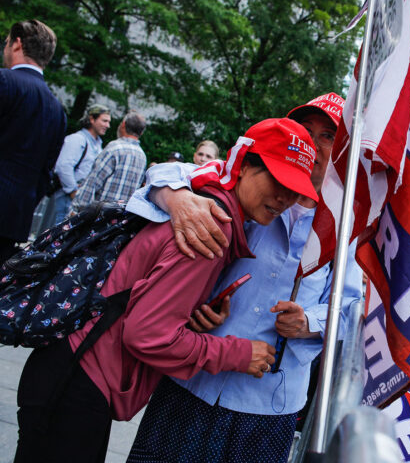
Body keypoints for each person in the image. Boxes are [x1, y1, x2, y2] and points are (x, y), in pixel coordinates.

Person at [14, 118, 318, 463]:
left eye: (294, 189)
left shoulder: (206, 201)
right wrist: (237, 353)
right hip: (78, 379)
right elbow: (147, 334)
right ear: (245, 166)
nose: (283, 197)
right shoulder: (210, 228)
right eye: (277, 180)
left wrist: (194, 318)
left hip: (75, 370)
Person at [126, 92, 360, 463]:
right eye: (306, 130)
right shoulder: (253, 182)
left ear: (347, 147)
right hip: (193, 381)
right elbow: (164, 174)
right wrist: (179, 201)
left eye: (328, 136)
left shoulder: (350, 223)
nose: (313, 145)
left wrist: (308, 322)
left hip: (269, 404)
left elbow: (356, 308)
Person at [0, 19, 67, 264]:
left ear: (17, 44)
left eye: (6, 42)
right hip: (14, 219)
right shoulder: (57, 111)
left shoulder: (5, 82)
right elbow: (45, 172)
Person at [44, 104, 111, 227]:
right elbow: (63, 167)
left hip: (77, 201)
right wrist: (73, 192)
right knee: (55, 238)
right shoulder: (77, 139)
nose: (108, 125)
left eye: (108, 122)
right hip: (66, 199)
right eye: (104, 121)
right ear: (92, 119)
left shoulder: (97, 145)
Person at [70, 111, 148, 213]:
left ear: (123, 124)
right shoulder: (142, 156)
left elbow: (93, 182)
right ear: (141, 132)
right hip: (116, 220)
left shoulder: (115, 148)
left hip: (97, 214)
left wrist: (77, 209)